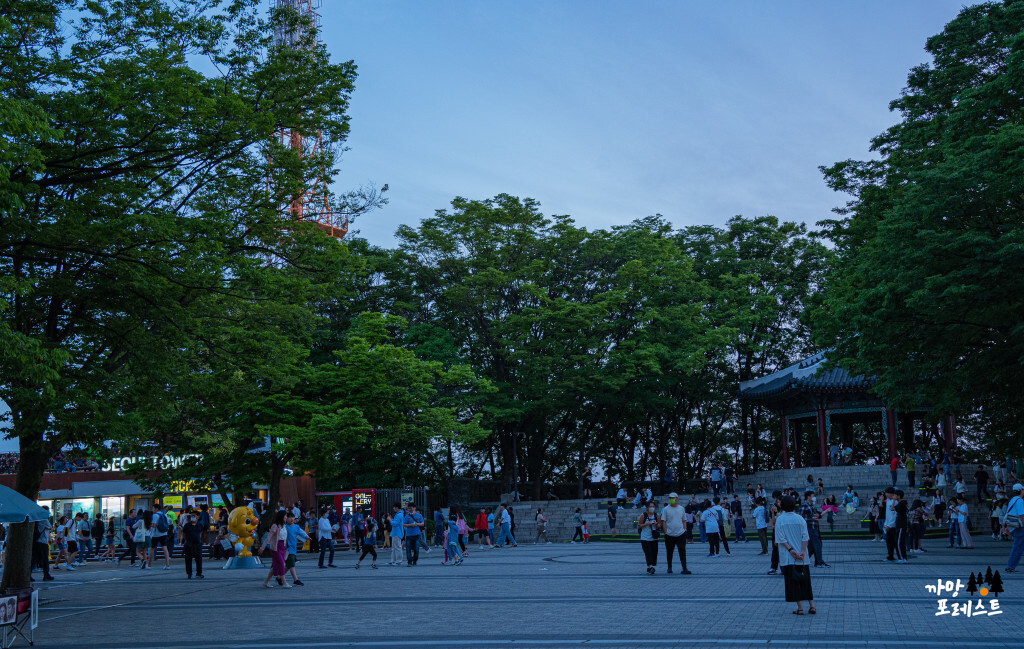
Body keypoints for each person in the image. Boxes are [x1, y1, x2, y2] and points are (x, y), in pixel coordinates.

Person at [774, 496, 815, 615]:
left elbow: (780, 539)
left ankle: (800, 608)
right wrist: (802, 551)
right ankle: (812, 606)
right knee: (806, 581)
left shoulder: (780, 520)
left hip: (788, 557)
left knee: (794, 583)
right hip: (803, 557)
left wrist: (791, 550)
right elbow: (805, 537)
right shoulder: (800, 519)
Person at [660, 492, 691, 574]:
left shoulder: (681, 508)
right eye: (670, 498)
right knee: (669, 551)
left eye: (673, 498)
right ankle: (669, 567)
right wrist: (665, 532)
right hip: (669, 534)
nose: (671, 500)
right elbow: (664, 521)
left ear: (677, 499)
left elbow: (684, 520)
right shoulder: (666, 509)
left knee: (682, 551)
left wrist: (685, 530)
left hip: (681, 533)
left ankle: (684, 568)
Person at [260, 511, 289, 588]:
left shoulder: (284, 526)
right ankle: (284, 582)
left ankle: (266, 582)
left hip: (282, 546)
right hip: (275, 548)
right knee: (281, 564)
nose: (286, 518)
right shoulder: (275, 526)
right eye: (285, 516)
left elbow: (285, 537)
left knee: (275, 566)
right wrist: (262, 547)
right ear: (281, 517)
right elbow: (268, 538)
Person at [800, 491, 828, 567]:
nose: (814, 497)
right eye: (813, 496)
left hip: (815, 527)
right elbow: (801, 518)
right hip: (810, 528)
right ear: (808, 497)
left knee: (812, 546)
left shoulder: (812, 506)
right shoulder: (804, 506)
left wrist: (824, 512)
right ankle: (819, 562)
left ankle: (803, 560)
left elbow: (818, 515)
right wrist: (812, 518)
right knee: (817, 544)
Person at [1003, 483, 1024, 572]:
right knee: (1017, 547)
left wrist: (1007, 527)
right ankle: (1010, 566)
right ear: (1021, 490)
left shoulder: (1012, 500)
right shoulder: (1019, 500)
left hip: (1014, 526)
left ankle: (1010, 566)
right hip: (1020, 527)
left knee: (1017, 546)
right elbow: (1021, 515)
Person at [638, 501, 660, 575]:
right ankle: (651, 567)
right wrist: (648, 523)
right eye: (650, 506)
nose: (652, 508)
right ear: (647, 507)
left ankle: (650, 566)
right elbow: (639, 525)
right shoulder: (643, 515)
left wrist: (656, 524)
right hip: (645, 537)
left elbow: (660, 525)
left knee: (654, 553)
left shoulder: (657, 515)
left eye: (653, 506)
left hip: (654, 537)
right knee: (648, 552)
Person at [33, 506, 54, 581]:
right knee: (45, 559)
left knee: (34, 559)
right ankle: (46, 574)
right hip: (42, 542)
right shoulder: (44, 519)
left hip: (36, 541)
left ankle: (28, 575)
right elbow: (50, 527)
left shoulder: (37, 518)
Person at [182, 511, 204, 579]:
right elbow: (184, 534)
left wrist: (200, 541)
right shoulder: (187, 525)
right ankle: (189, 573)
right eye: (192, 516)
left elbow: (201, 533)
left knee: (199, 559)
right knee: (188, 559)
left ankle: (199, 573)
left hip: (197, 544)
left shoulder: (200, 525)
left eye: (194, 515)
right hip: (189, 544)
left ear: (198, 517)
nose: (193, 517)